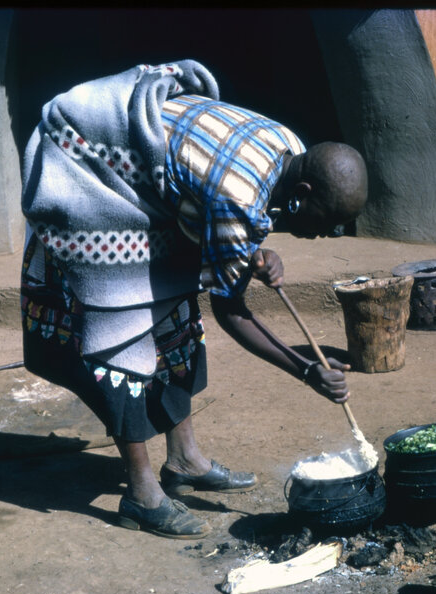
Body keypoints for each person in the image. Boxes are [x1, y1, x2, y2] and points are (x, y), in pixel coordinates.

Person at [19, 60, 368, 539]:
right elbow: (230, 310)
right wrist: (304, 370)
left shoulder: (290, 146)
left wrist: (253, 250)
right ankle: (140, 495)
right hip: (87, 172)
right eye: (325, 222)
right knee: (126, 331)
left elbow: (219, 206)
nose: (327, 235)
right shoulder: (238, 202)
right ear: (302, 193)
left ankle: (184, 460)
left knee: (177, 314)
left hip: (144, 180)